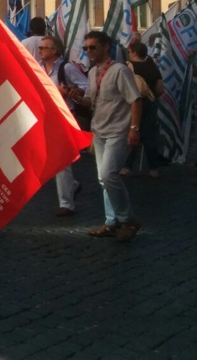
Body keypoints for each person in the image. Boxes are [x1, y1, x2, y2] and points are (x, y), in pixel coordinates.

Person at [78, 31, 143, 242]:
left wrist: (134, 128)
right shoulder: (92, 72)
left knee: (108, 175)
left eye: (93, 47)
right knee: (103, 178)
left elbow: (135, 100)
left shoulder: (120, 70)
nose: (89, 51)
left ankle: (127, 220)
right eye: (86, 48)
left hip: (118, 131)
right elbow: (91, 101)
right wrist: (77, 97)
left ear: (106, 47)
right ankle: (111, 221)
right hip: (100, 131)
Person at [36, 35, 88, 217]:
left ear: (54, 51)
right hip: (46, 118)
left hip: (64, 117)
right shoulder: (39, 68)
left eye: (43, 47)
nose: (40, 50)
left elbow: (86, 85)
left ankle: (66, 203)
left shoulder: (66, 68)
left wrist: (70, 91)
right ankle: (72, 185)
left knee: (62, 161)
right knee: (48, 158)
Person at [123, 41, 165, 179]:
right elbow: (160, 89)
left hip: (132, 104)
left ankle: (127, 166)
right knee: (149, 136)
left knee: (132, 133)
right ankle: (153, 168)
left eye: (129, 51)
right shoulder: (153, 67)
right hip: (150, 104)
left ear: (134, 52)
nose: (129, 53)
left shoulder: (127, 67)